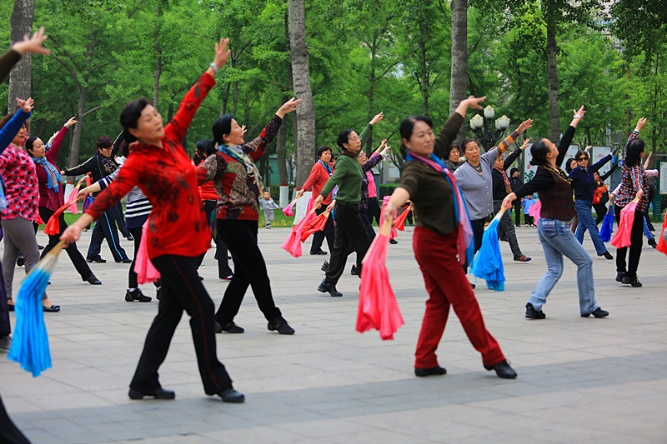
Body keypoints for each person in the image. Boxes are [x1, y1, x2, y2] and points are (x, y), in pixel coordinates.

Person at [61, 38, 244, 403]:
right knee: (203, 308)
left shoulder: (173, 138)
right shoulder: (138, 162)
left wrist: (214, 67)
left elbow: (190, 103)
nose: (157, 119)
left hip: (190, 240)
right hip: (167, 245)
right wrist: (80, 223)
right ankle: (216, 381)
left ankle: (143, 381)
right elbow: (112, 192)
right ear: (134, 131)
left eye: (155, 114)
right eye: (148, 119)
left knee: (168, 315)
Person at [383, 96, 517, 379]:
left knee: (439, 301)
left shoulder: (432, 156)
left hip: (437, 241)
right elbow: (406, 187)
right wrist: (393, 205)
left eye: (429, 133)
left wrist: (464, 106)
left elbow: (448, 131)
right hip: (433, 245)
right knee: (465, 301)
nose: (428, 138)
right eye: (421, 135)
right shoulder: (415, 167)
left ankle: (424, 359)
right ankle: (493, 356)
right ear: (407, 142)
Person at [198, 98, 301, 335]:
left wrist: (280, 112)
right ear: (226, 136)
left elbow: (264, 139)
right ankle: (274, 318)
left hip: (249, 221)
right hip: (231, 221)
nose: (240, 128)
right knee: (257, 269)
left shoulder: (244, 154)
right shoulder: (217, 159)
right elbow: (192, 178)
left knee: (244, 273)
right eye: (235, 126)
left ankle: (221, 319)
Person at [502, 106, 609, 319]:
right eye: (552, 145)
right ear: (548, 154)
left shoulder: (554, 167)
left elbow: (565, 142)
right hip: (555, 226)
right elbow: (531, 185)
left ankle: (534, 304)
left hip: (548, 225)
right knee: (585, 262)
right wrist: (512, 195)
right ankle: (588, 306)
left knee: (555, 269)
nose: (556, 145)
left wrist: (576, 119)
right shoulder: (545, 174)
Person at [77, 138, 158, 302]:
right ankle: (160, 286)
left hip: (150, 218)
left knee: (143, 254)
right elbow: (107, 182)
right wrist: (87, 189)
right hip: (139, 218)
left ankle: (133, 289)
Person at [313, 112, 384, 297]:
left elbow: (363, 136)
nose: (358, 140)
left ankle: (328, 283)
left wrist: (371, 123)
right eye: (353, 139)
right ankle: (366, 280)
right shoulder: (344, 161)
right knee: (366, 244)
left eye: (357, 137)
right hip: (347, 210)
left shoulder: (354, 157)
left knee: (340, 248)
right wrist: (321, 196)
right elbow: (333, 179)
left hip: (349, 209)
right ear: (345, 145)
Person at [25, 118, 102, 286]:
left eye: (42, 145)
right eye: (38, 147)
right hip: (46, 207)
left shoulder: (48, 159)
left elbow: (57, 143)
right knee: (67, 240)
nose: (42, 148)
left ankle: (36, 274)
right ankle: (87, 274)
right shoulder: (30, 166)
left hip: (57, 206)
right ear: (30, 151)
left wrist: (65, 127)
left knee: (56, 241)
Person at [1, 99, 60, 313]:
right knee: (33, 254)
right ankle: (41, 299)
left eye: (25, 127)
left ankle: (6, 298)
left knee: (9, 256)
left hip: (22, 211)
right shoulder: (7, 152)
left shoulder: (21, 151)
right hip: (15, 211)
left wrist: (25, 113)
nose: (22, 131)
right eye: (18, 127)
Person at [454, 118, 533, 278]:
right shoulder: (460, 172)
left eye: (476, 148)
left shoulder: (485, 160)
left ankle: (459, 272)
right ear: (465, 154)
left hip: (483, 214)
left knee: (476, 245)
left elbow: (502, 146)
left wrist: (518, 131)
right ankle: (459, 274)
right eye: (471, 149)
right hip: (470, 217)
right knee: (476, 245)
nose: (475, 151)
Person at [64, 136, 131, 264]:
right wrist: (65, 173)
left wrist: (129, 127)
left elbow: (119, 140)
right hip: (101, 199)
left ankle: (92, 254)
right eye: (107, 149)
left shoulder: (111, 156)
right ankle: (120, 255)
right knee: (110, 227)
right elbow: (81, 168)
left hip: (112, 196)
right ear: (100, 149)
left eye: (111, 148)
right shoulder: (96, 160)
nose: (110, 150)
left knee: (100, 228)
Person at [613, 118, 649, 287]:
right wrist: (640, 190)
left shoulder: (627, 160)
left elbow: (629, 142)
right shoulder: (635, 166)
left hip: (620, 205)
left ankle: (621, 270)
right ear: (641, 153)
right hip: (633, 209)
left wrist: (637, 128)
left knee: (623, 236)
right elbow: (637, 181)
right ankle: (631, 275)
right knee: (636, 242)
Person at [192, 139, 233, 281]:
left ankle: (192, 270)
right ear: (205, 152)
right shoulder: (206, 166)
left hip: (210, 204)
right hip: (211, 205)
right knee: (217, 238)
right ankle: (223, 271)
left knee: (214, 238)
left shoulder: (202, 164)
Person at [568, 147, 616, 259]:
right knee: (592, 226)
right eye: (580, 159)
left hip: (588, 203)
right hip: (580, 203)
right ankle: (602, 250)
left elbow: (600, 163)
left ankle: (575, 249)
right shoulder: (575, 172)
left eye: (585, 158)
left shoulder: (590, 170)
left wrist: (610, 155)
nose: (583, 161)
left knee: (581, 227)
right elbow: (566, 183)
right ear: (577, 161)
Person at [491, 138, 531, 262]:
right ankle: (517, 254)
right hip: (498, 204)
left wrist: (521, 148)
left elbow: (510, 159)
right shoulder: (493, 174)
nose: (501, 162)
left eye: (502, 160)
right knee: (510, 229)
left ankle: (489, 254)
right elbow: (490, 191)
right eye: (498, 160)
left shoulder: (500, 172)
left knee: (497, 231)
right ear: (492, 162)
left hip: (501, 203)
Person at [297, 146, 336, 256]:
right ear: (320, 155)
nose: (328, 156)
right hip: (320, 202)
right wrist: (303, 189)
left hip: (327, 201)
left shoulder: (329, 167)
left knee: (321, 226)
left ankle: (315, 248)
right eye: (325, 154)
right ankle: (335, 251)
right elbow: (311, 179)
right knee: (329, 227)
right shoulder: (318, 166)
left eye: (329, 154)